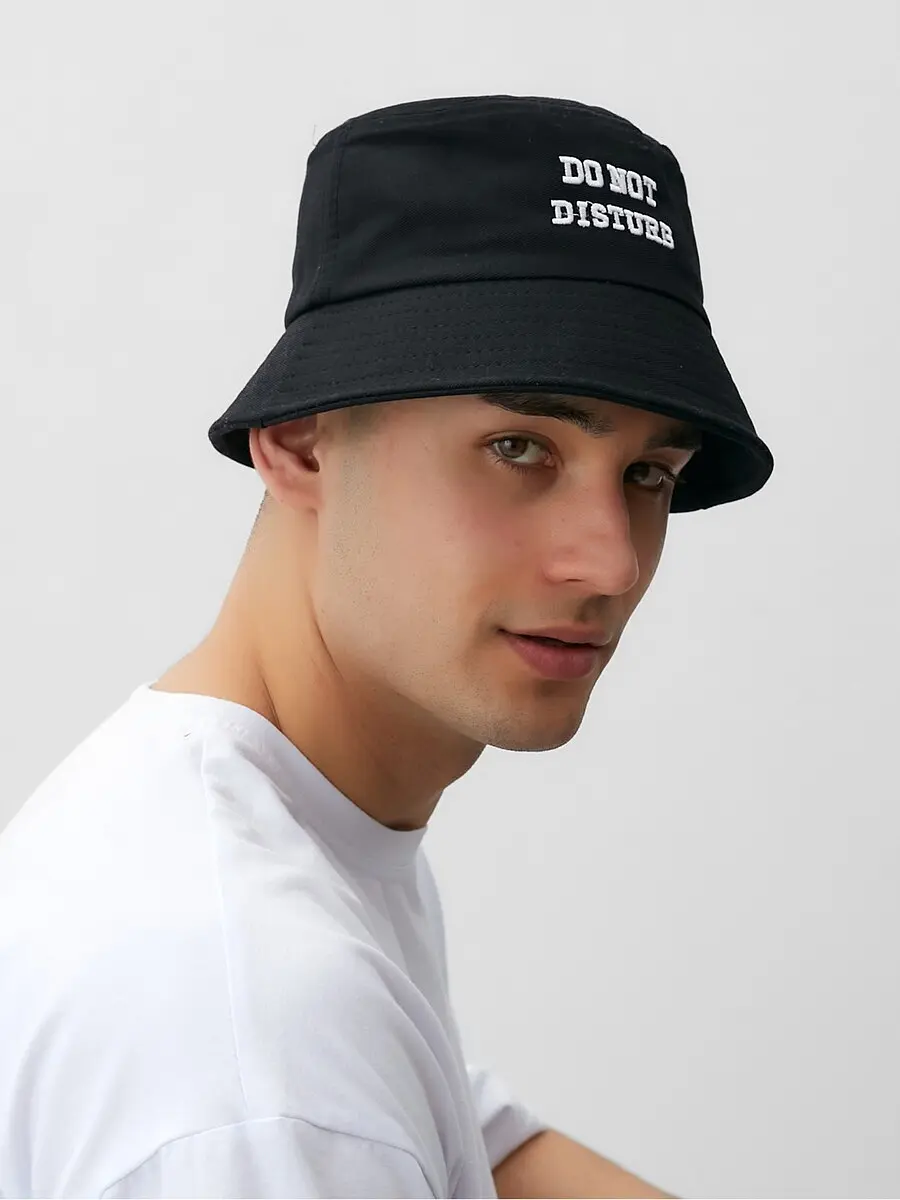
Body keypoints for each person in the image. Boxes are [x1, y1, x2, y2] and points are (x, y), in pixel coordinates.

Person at [0, 94, 774, 1198]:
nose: (610, 562)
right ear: (301, 442)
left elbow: (476, 1142)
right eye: (521, 448)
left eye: (650, 473)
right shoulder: (253, 1037)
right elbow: (313, 1103)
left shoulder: (258, 828)